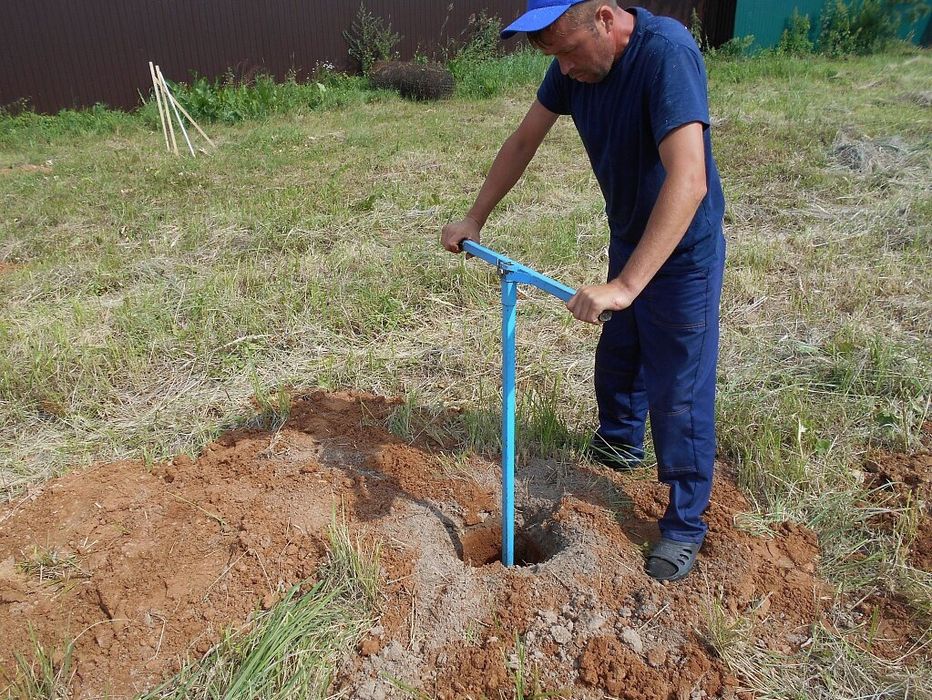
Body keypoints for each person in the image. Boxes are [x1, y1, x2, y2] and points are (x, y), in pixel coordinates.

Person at [441, 0, 726, 582]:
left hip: (682, 250)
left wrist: (626, 285)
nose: (564, 69)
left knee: (679, 386)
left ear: (604, 17)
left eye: (568, 51)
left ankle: (683, 524)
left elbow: (690, 177)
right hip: (630, 235)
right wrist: (475, 217)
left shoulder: (665, 55)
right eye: (554, 57)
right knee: (620, 356)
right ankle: (620, 447)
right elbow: (524, 141)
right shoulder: (572, 68)